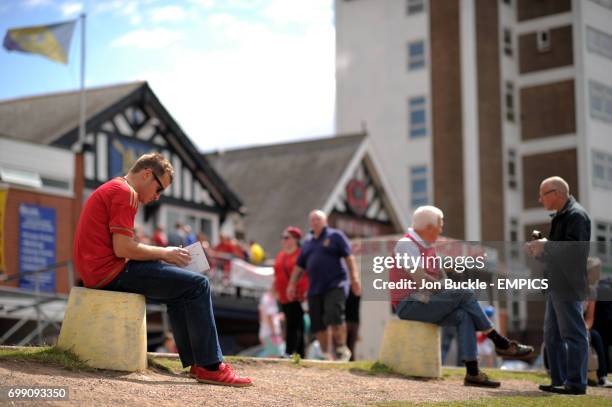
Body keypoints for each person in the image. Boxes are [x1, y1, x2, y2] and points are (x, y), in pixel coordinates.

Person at [73, 152, 251, 387]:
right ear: (147, 174)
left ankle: (199, 363)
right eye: (159, 190)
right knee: (199, 284)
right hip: (110, 274)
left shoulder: (116, 188)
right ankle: (209, 366)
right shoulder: (125, 193)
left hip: (100, 272)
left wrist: (163, 255)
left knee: (180, 290)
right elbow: (123, 248)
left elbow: (122, 248)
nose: (158, 197)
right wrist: (165, 252)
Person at [392, 206, 534, 388]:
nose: (441, 229)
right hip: (409, 305)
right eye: (439, 225)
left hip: (425, 302)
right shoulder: (407, 244)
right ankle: (500, 341)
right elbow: (421, 280)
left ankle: (473, 373)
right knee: (465, 292)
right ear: (428, 227)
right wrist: (451, 289)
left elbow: (441, 281)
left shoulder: (428, 249)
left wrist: (450, 288)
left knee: (464, 314)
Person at [525, 176, 591, 395]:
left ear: (556, 194)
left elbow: (575, 253)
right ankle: (558, 380)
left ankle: (576, 383)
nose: (539, 198)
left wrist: (547, 245)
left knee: (573, 333)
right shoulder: (560, 217)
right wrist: (539, 251)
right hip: (555, 284)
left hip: (568, 285)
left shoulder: (577, 216)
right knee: (552, 336)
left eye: (543, 193)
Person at [286, 210, 361, 361]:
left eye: (318, 219)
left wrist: (354, 278)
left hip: (336, 284)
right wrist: (292, 284)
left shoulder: (336, 236)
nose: (315, 222)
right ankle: (326, 354)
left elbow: (349, 257)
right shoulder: (307, 243)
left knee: (334, 314)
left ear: (325, 221)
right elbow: (299, 266)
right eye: (312, 220)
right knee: (317, 323)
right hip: (314, 288)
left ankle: (341, 348)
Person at [273, 226, 308, 358]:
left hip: (296, 295)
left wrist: (302, 292)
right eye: (282, 237)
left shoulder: (300, 254)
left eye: (286, 237)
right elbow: (276, 275)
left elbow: (305, 275)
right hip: (283, 297)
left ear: (295, 239)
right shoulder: (281, 255)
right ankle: (299, 354)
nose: (283, 240)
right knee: (293, 323)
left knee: (293, 324)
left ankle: (289, 351)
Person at [258, 286, 284, 357]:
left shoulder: (265, 298)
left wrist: (277, 317)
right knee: (273, 355)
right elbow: (269, 317)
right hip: (270, 334)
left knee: (271, 354)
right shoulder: (270, 299)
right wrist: (274, 333)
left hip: (266, 333)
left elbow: (264, 316)